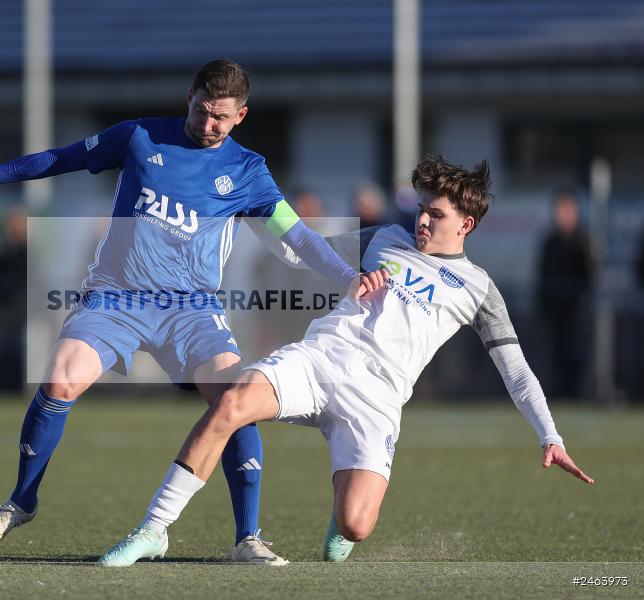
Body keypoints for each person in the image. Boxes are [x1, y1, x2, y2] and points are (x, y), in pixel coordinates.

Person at [0, 59, 373, 564]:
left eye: (221, 117)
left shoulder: (248, 171)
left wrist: (348, 276)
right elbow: (58, 159)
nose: (208, 124)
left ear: (241, 115)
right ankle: (20, 503)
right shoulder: (138, 136)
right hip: (116, 295)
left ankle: (248, 538)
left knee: (234, 399)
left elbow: (299, 237)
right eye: (202, 111)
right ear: (188, 98)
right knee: (60, 380)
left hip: (191, 309)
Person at [98, 156, 594, 567]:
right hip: (321, 359)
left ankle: (341, 517)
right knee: (231, 402)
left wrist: (550, 436)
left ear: (466, 224)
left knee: (357, 524)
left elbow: (517, 371)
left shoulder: (479, 289)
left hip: (377, 401)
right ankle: (154, 528)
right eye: (421, 209)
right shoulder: (384, 238)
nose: (422, 220)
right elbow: (300, 254)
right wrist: (247, 210)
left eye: (435, 214)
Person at [535, 190, 592, 398]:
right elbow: (543, 275)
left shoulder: (583, 241)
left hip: (577, 311)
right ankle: (559, 391)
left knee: (576, 352)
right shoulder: (550, 242)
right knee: (556, 352)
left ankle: (578, 391)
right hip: (555, 309)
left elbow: (590, 274)